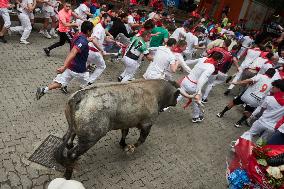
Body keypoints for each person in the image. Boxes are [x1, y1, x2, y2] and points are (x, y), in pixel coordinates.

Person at [36, 21, 94, 100]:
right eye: (92, 30)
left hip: (70, 67)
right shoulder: (83, 41)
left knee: (61, 83)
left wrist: (87, 40)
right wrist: (64, 66)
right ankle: (85, 99)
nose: (92, 32)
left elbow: (80, 43)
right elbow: (73, 52)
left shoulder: (78, 35)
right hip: (79, 70)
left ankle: (44, 90)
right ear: (88, 31)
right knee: (89, 83)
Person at [179, 52, 223, 123]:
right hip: (192, 86)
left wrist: (180, 63)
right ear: (218, 60)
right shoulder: (211, 67)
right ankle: (196, 117)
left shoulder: (204, 58)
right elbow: (201, 79)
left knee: (178, 96)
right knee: (196, 101)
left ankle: (164, 107)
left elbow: (190, 61)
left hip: (185, 80)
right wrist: (198, 93)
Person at [87, 13, 112, 85]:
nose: (108, 23)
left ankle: (64, 83)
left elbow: (105, 39)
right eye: (107, 21)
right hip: (93, 51)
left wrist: (115, 42)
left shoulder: (102, 28)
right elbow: (94, 40)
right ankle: (88, 82)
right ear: (103, 19)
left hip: (90, 50)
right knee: (102, 66)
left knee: (81, 67)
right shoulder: (99, 28)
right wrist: (102, 50)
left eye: (109, 22)